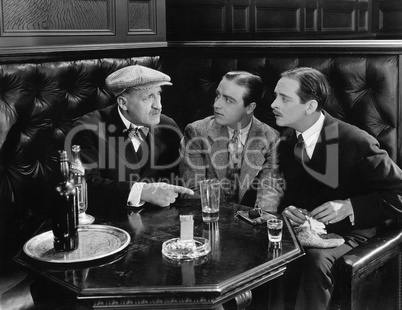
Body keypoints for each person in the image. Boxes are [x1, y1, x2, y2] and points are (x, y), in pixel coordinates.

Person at [271, 67, 402, 309]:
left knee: (316, 259)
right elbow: (284, 193)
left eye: (284, 98)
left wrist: (349, 206)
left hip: (353, 233)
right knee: (274, 253)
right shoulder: (285, 141)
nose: (273, 104)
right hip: (305, 233)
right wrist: (288, 210)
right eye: (275, 96)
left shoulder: (357, 141)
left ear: (310, 106)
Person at [69, 65, 193, 215]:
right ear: (123, 103)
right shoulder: (87, 128)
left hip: (160, 222)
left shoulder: (168, 126)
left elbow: (183, 175)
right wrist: (142, 192)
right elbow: (83, 185)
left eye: (158, 94)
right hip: (110, 222)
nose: (158, 106)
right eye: (148, 97)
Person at [180, 71, 283, 211]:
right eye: (218, 95)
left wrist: (260, 220)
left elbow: (269, 191)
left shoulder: (270, 138)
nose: (216, 105)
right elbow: (193, 191)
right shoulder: (196, 132)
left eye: (228, 100)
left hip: (247, 222)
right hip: (208, 217)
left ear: (250, 107)